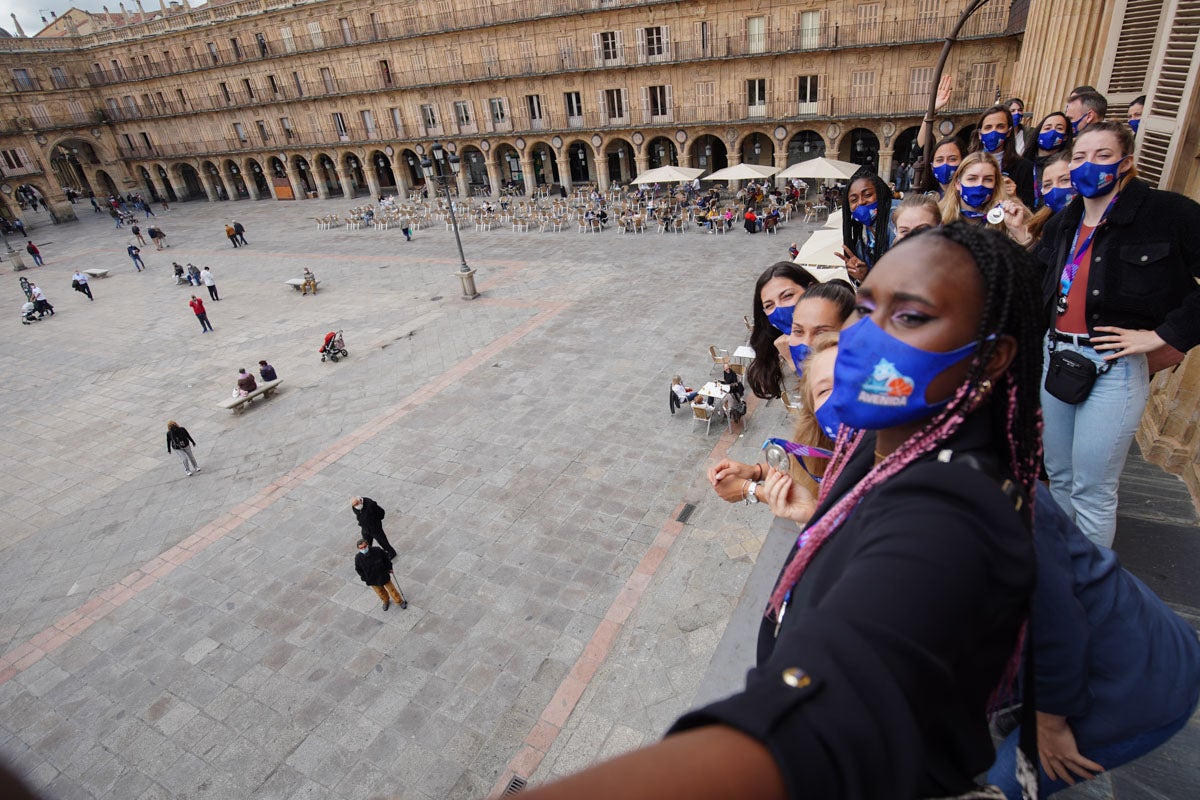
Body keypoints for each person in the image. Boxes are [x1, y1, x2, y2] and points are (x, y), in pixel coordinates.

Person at [519, 222, 1043, 800]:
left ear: (991, 358)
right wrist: (801, 504)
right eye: (868, 309)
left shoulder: (950, 514)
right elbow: (858, 513)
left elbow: (831, 702)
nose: (864, 338)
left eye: (911, 317)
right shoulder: (888, 435)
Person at [1033, 120, 1200, 548]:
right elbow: (1036, 284)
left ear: (1126, 163)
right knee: (1061, 476)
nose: (1089, 165)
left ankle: (1091, 586)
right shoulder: (1061, 224)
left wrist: (1165, 336)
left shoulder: (1168, 214)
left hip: (1114, 367)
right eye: (1080, 157)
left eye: (1102, 156)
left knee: (1093, 488)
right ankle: (1063, 562)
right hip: (1057, 360)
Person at [986, 483, 1200, 799]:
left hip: (1140, 682)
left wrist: (1050, 723)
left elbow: (1056, 629)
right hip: (1102, 636)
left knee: (1006, 784)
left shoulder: (992, 502)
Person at [710, 284, 854, 504]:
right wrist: (755, 471)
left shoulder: (862, 414)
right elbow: (815, 461)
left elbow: (839, 509)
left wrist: (751, 490)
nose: (805, 343)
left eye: (821, 332)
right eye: (797, 331)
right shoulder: (815, 392)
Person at [745, 262, 819, 399]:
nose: (779, 310)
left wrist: (795, 362)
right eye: (769, 305)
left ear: (811, 290)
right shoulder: (781, 350)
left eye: (787, 296)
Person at [937, 152, 1033, 246]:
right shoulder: (938, 214)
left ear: (996, 184)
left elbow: (1032, 258)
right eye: (972, 179)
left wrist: (1018, 230)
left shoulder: (1012, 212)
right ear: (958, 184)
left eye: (988, 179)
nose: (979, 185)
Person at [969, 104, 1037, 206]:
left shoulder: (1024, 168)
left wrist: (1014, 197)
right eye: (988, 127)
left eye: (1000, 127)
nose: (993, 132)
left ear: (1009, 132)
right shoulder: (967, 164)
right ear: (980, 134)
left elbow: (1031, 210)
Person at [837, 167, 895, 283]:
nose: (861, 202)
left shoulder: (899, 217)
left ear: (881, 193)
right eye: (854, 200)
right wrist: (864, 277)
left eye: (867, 195)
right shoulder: (862, 236)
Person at [354, 539, 408, 611]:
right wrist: (365, 578)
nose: (363, 549)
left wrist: (389, 568)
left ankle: (399, 601)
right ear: (358, 548)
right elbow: (358, 569)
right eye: (361, 548)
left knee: (392, 589)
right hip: (372, 579)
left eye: (364, 546)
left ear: (368, 545)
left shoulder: (377, 550)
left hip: (383, 575)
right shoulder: (358, 558)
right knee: (380, 592)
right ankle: (385, 601)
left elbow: (386, 559)